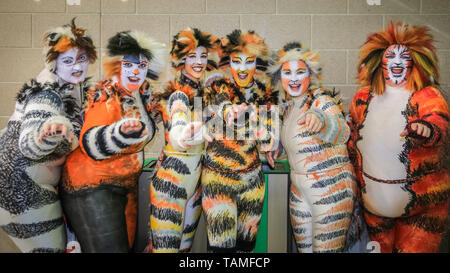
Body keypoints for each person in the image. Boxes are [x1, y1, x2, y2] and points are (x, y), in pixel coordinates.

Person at [348, 22, 449, 253]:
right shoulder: (363, 97)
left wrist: (427, 129)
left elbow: (439, 122)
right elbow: (353, 133)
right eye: (390, 56)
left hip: (422, 209)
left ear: (414, 62)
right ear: (379, 63)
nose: (396, 62)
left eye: (404, 57)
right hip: (374, 208)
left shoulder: (427, 95)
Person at [60, 30, 165, 253]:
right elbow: (90, 143)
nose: (136, 71)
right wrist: (121, 132)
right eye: (128, 65)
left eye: (142, 65)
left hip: (124, 185)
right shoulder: (107, 94)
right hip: (92, 186)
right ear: (117, 66)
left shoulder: (142, 95)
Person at [0, 19, 97, 252]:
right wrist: (51, 132)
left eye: (81, 58)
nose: (76, 67)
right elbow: (28, 144)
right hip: (21, 187)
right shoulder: (48, 91)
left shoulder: (69, 86)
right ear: (54, 63)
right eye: (67, 60)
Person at [268, 42, 358, 253]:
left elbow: (343, 132)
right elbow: (296, 144)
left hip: (330, 187)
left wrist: (322, 120)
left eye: (300, 72)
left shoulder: (322, 100)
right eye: (287, 73)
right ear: (280, 77)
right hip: (299, 189)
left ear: (311, 74)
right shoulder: (289, 107)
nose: (294, 78)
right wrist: (277, 148)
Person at [201, 30, 278, 252]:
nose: (242, 68)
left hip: (253, 182)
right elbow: (219, 107)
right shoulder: (217, 85)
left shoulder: (266, 93)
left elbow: (271, 140)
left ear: (257, 63)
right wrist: (231, 112)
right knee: (221, 248)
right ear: (228, 62)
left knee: (246, 248)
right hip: (218, 179)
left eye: (249, 61)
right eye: (237, 62)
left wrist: (266, 134)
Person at [149, 28, 220, 253]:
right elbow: (178, 118)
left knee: (183, 250)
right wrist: (183, 134)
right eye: (192, 56)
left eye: (203, 56)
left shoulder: (205, 94)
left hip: (196, 180)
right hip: (172, 181)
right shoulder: (175, 92)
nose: (199, 62)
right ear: (181, 59)